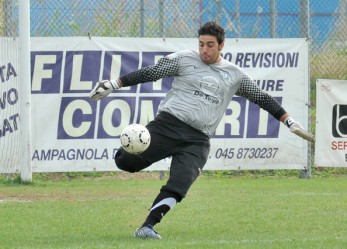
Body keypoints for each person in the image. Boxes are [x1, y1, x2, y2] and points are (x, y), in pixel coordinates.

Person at [89, 21, 314, 239]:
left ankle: (147, 227)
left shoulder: (235, 75)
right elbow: (151, 73)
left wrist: (289, 121)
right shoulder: (184, 59)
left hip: (197, 141)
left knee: (180, 185)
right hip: (168, 125)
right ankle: (125, 152)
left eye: (210, 45)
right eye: (201, 44)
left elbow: (262, 98)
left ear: (221, 46)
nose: (204, 50)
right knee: (125, 163)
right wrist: (114, 84)